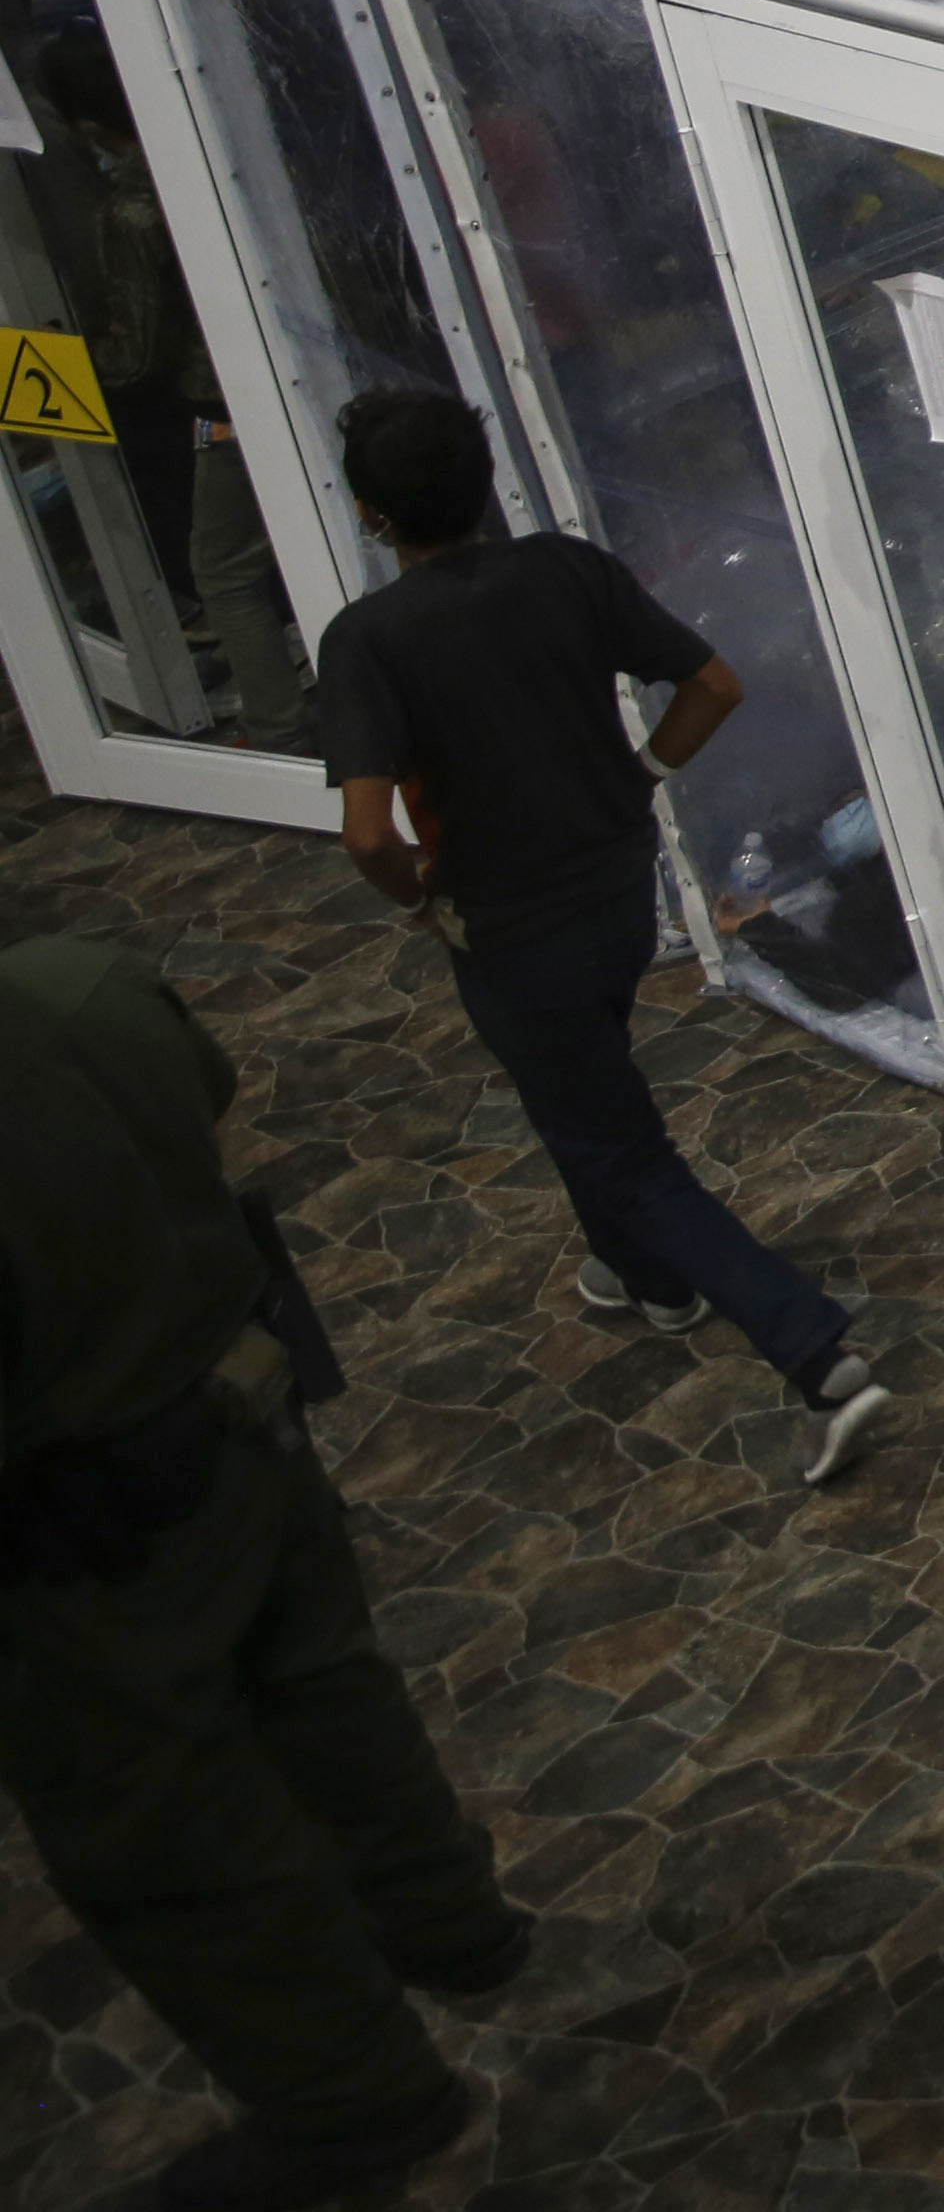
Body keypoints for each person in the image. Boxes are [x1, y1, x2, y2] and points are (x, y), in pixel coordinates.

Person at [1, 931, 526, 2212]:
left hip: (84, 1525)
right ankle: (446, 1918)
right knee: (324, 1682)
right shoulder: (76, 988)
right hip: (240, 1405)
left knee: (172, 1827)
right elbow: (207, 1085)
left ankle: (375, 2116)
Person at [307, 389, 887, 1487]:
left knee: (620, 1149)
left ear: (373, 516)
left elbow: (365, 832)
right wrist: (642, 776)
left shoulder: (366, 641)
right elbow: (711, 685)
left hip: (513, 935)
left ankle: (817, 1356)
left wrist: (419, 900)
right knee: (583, 1095)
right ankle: (645, 1277)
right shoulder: (569, 571)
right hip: (619, 893)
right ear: (483, 477)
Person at [28, 31, 307, 745]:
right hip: (301, 372)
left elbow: (138, 354)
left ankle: (278, 724)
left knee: (224, 570)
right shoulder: (231, 151)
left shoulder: (132, 213)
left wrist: (48, 372)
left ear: (89, 130)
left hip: (223, 409)